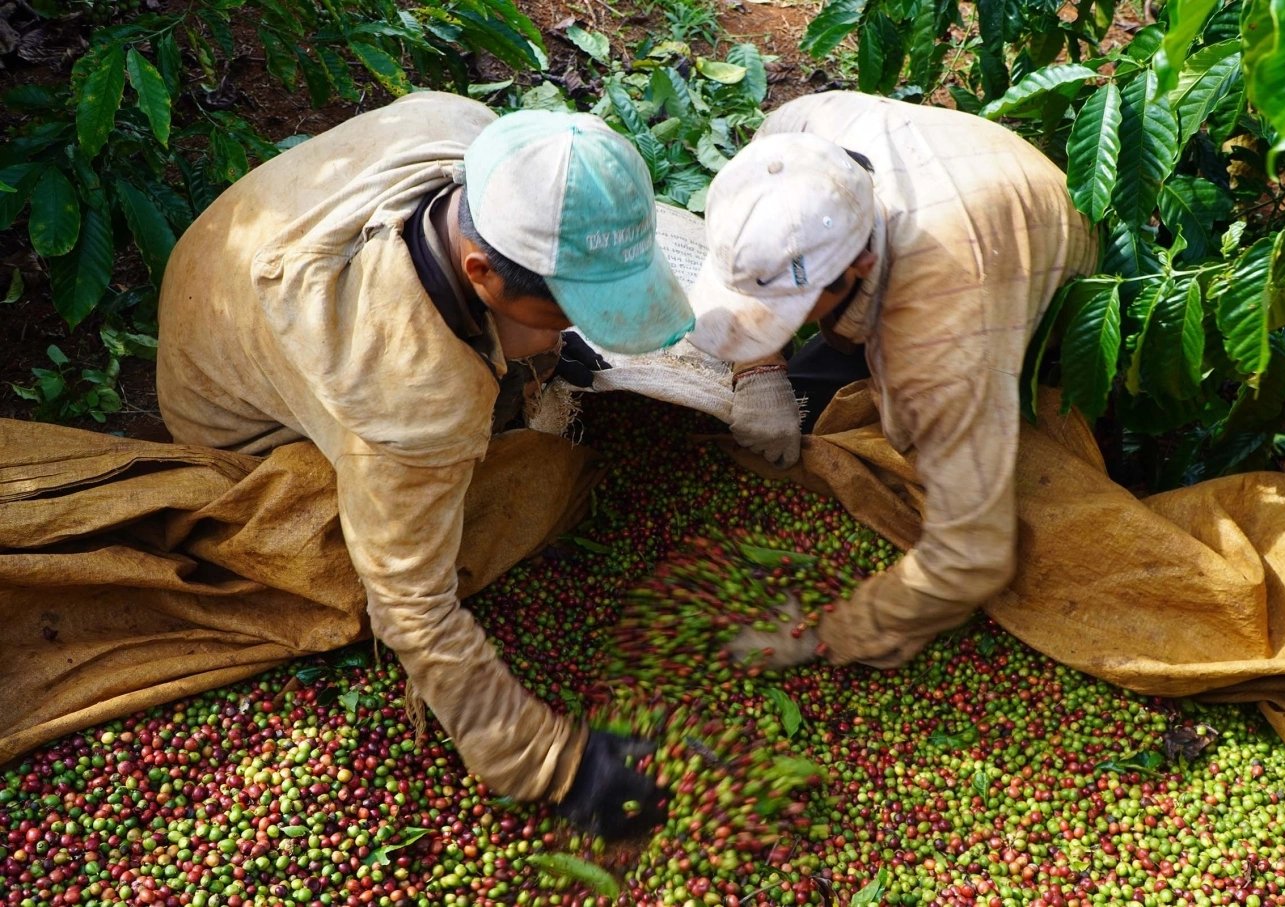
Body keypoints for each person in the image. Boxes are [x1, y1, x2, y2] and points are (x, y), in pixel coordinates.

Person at [156, 92, 693, 838]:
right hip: (241, 427)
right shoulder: (409, 403)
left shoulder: (469, 134)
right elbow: (410, 605)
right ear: (484, 273)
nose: (569, 332)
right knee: (505, 500)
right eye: (560, 313)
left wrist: (539, 334)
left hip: (226, 275)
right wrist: (552, 761)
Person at [686, 90, 1099, 670]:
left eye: (787, 307)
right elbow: (770, 253)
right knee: (813, 392)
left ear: (860, 265)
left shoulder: (941, 339)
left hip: (1052, 287)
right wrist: (760, 367)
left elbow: (972, 554)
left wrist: (841, 633)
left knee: (936, 434)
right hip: (973, 192)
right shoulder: (799, 134)